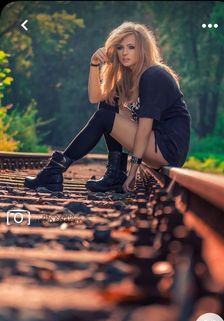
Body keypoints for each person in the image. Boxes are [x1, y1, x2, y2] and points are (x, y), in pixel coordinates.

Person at [24, 21, 191, 193]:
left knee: (104, 117)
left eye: (131, 47)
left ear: (143, 49)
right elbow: (95, 97)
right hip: (155, 143)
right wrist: (94, 64)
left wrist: (133, 172)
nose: (124, 52)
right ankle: (116, 174)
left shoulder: (153, 75)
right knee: (108, 103)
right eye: (120, 47)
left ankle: (54, 170)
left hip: (166, 148)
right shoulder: (131, 77)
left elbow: (144, 129)